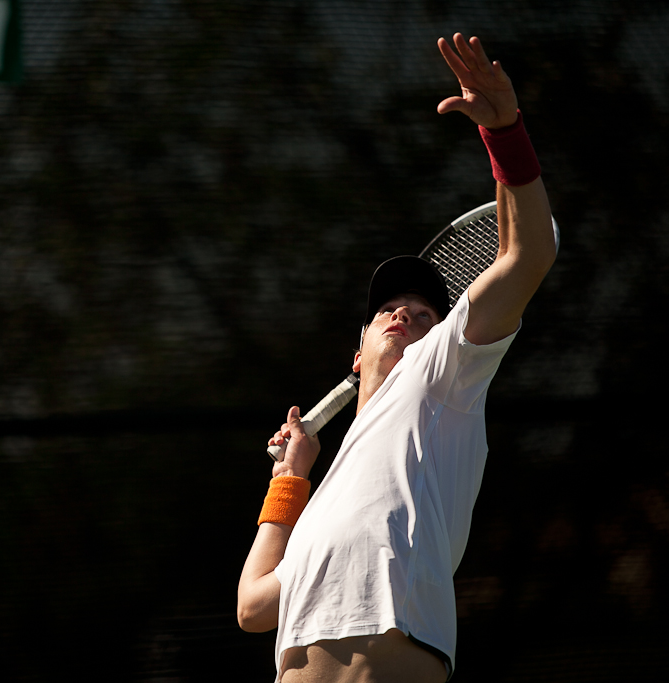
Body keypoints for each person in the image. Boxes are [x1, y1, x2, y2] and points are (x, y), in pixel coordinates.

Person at [236, 33, 556, 683]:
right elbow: (254, 605)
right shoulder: (328, 497)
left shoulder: (440, 373)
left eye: (426, 310)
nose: (406, 312)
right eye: (389, 307)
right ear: (357, 354)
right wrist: (291, 478)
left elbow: (530, 253)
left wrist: (505, 133)